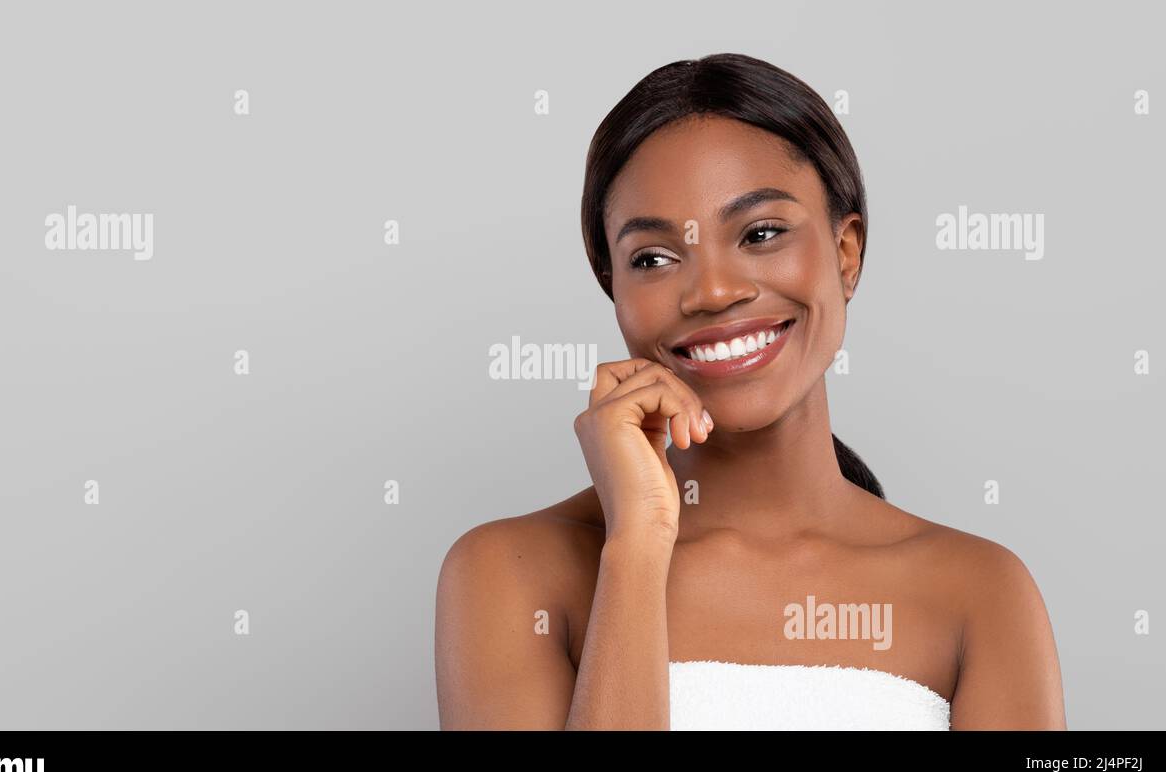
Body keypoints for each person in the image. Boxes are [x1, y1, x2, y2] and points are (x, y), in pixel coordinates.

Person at [435, 53, 1066, 730]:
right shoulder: (509, 575)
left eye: (761, 233)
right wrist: (638, 546)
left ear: (845, 251)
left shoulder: (982, 592)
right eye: (652, 258)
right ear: (613, 286)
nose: (712, 291)